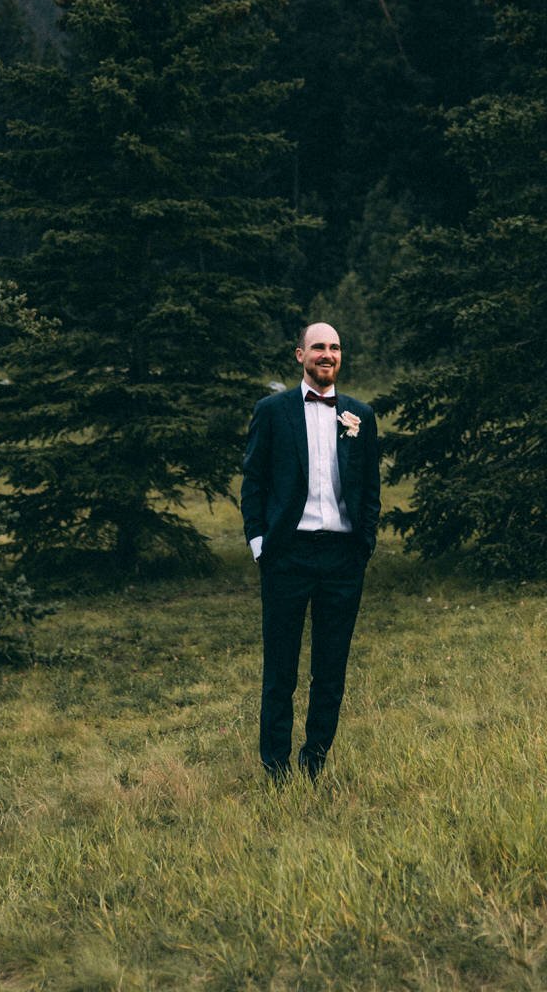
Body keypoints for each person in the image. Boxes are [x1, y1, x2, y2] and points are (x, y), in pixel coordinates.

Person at [240, 320, 381, 780]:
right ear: (299, 355)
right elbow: (254, 482)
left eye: (335, 347)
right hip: (288, 555)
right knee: (280, 670)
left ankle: (315, 761)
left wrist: (363, 546)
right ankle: (276, 770)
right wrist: (261, 546)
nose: (327, 354)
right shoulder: (272, 410)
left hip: (342, 559)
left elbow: (370, 488)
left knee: (331, 670)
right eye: (318, 346)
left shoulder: (361, 415)